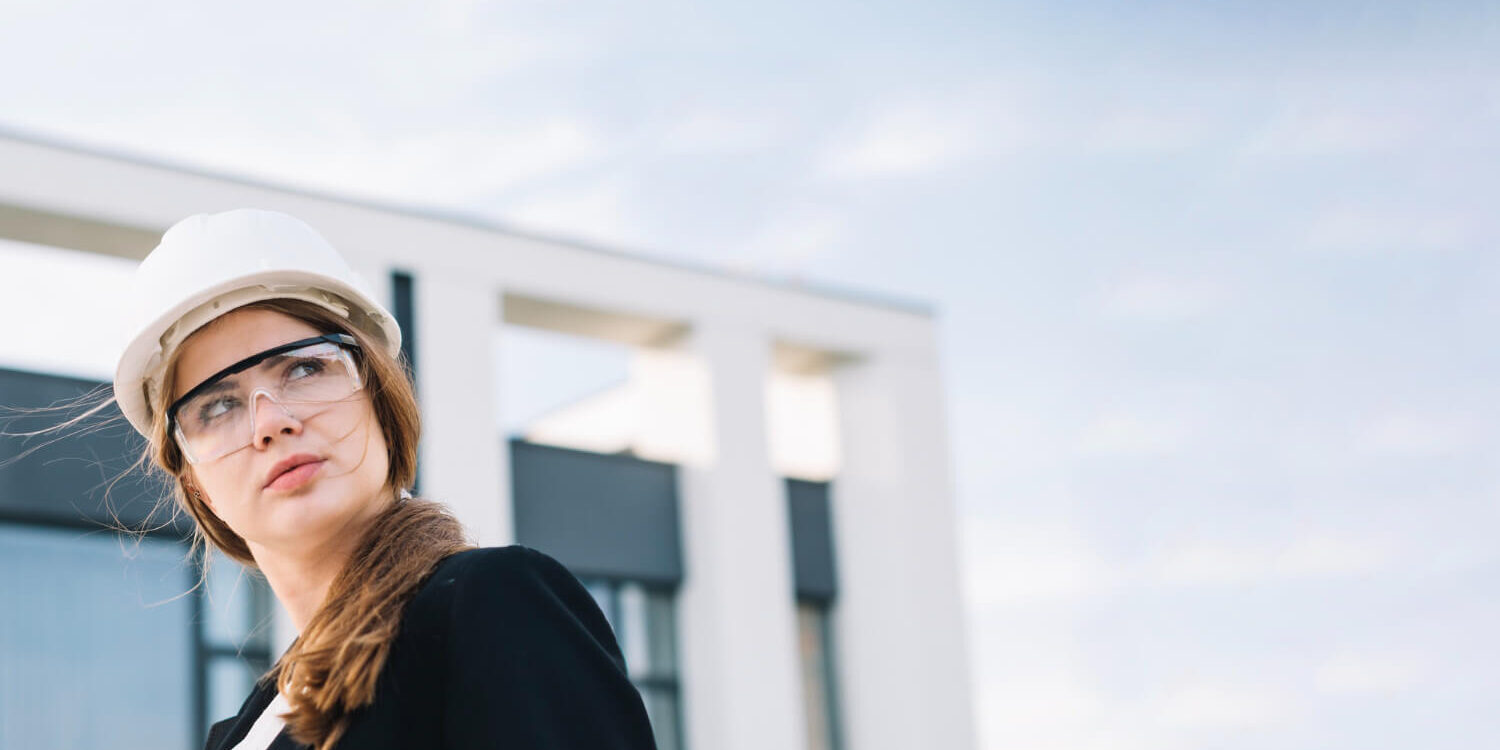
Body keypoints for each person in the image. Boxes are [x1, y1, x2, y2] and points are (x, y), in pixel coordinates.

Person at [109, 208, 658, 750]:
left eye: (303, 368)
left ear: (379, 396)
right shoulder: (239, 735)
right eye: (217, 406)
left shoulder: (490, 605)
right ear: (195, 481)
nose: (270, 421)